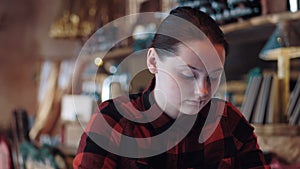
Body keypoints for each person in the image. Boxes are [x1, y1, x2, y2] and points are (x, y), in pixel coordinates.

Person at [73, 6, 270, 169]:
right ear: (153, 61)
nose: (202, 91)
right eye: (187, 74)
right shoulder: (112, 122)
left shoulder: (229, 123)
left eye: (214, 77)